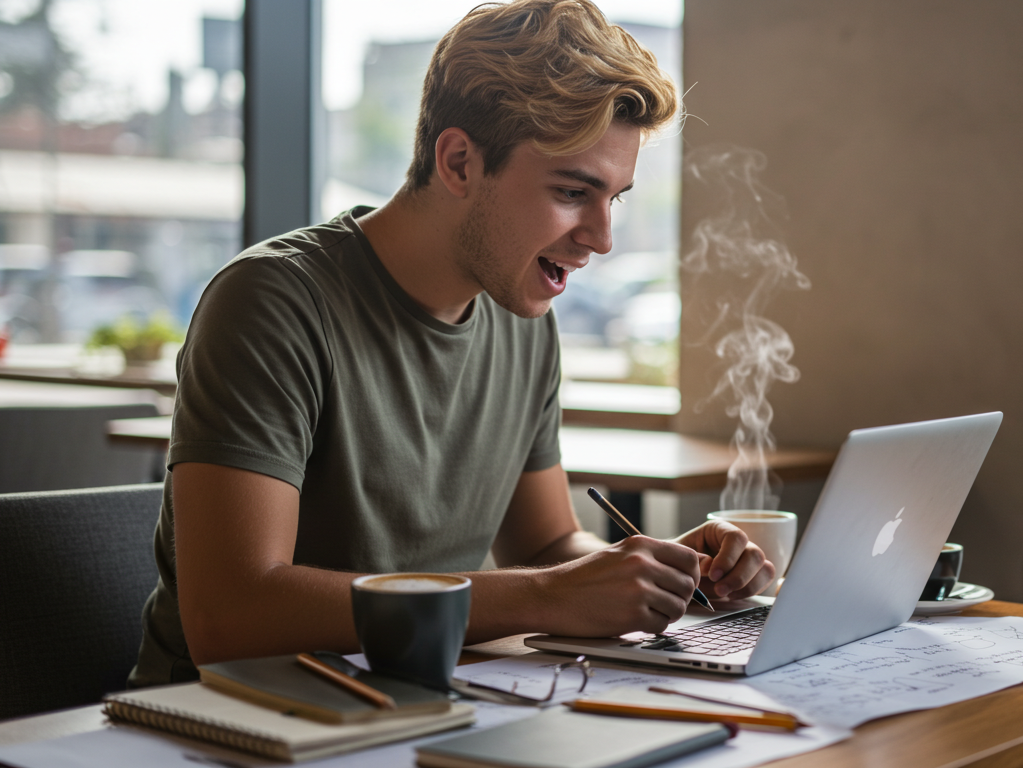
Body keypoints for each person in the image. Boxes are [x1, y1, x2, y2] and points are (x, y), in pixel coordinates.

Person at [130, 0, 775, 687]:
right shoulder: (272, 302)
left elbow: (546, 546)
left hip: (427, 703)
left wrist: (650, 574)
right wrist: (550, 595)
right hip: (230, 725)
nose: (601, 237)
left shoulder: (524, 318)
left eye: (612, 198)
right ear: (460, 161)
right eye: (570, 191)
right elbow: (230, 618)